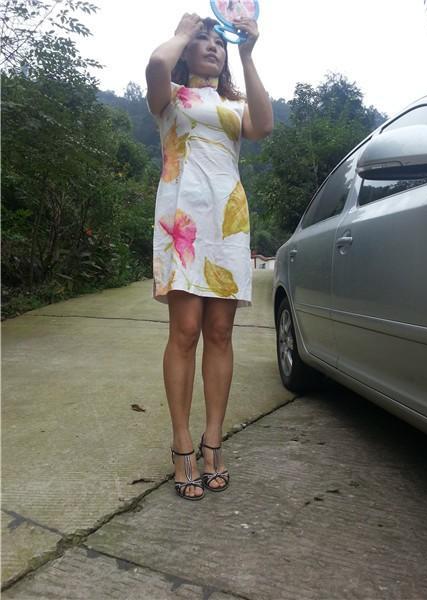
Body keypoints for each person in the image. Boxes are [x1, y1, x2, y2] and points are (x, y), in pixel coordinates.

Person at [145, 12, 273, 500]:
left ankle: (213, 438)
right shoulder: (170, 98)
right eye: (204, 40)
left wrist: (247, 52)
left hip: (227, 221)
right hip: (182, 220)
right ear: (188, 50)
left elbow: (263, 125)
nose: (213, 46)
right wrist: (183, 31)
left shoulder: (233, 105)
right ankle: (181, 443)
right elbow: (157, 63)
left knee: (220, 332)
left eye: (219, 41)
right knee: (186, 331)